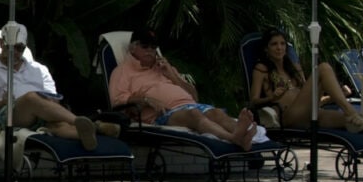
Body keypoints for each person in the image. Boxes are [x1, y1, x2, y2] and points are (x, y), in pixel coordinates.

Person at [249, 28, 363, 158]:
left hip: (310, 113)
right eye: (274, 44)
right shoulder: (262, 69)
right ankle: (351, 112)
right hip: (289, 118)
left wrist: (334, 97)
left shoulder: (294, 68)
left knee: (353, 120)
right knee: (323, 68)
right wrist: (273, 96)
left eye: (283, 44)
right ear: (266, 49)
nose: (279, 48)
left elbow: (310, 100)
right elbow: (253, 101)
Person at [0, 23, 119, 150]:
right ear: (1, 43)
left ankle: (93, 130)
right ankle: (80, 121)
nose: (14, 52)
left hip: (41, 114)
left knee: (57, 125)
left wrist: (52, 102)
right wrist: (1, 103)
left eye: (19, 48)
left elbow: (52, 97)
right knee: (30, 97)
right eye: (10, 47)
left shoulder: (39, 69)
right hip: (9, 114)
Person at [110, 29, 257, 150]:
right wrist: (146, 100)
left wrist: (172, 75)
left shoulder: (164, 67)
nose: (150, 51)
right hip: (162, 114)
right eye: (145, 46)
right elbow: (117, 101)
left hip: (190, 105)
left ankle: (243, 135)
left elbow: (194, 96)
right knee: (194, 114)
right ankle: (233, 138)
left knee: (216, 112)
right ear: (133, 48)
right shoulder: (122, 71)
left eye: (153, 48)